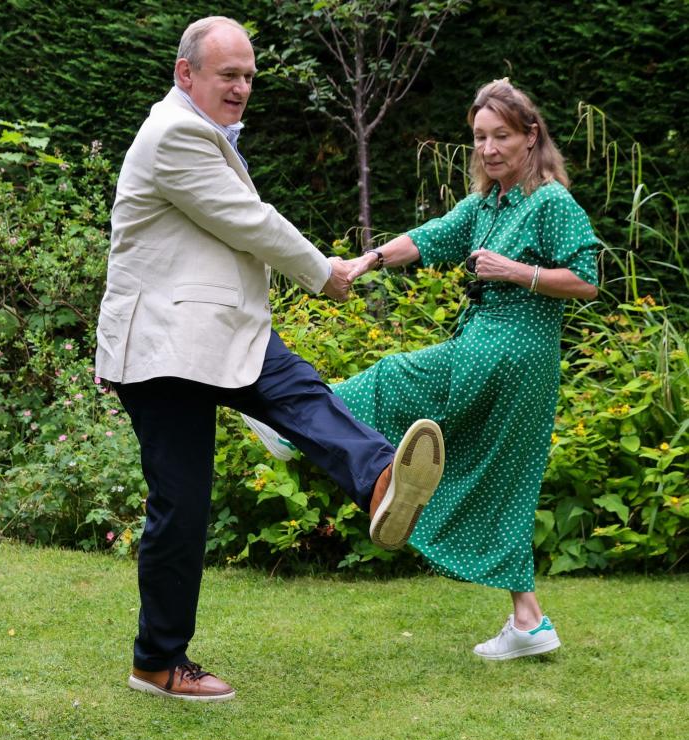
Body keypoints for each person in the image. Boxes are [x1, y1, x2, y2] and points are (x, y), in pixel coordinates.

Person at [95, 16, 447, 702]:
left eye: (250, 76)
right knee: (182, 506)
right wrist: (324, 272)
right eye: (228, 74)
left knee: (303, 391)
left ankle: (379, 480)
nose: (242, 87)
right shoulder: (174, 135)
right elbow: (247, 220)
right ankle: (157, 662)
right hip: (165, 347)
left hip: (220, 328)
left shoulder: (204, 133)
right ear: (185, 73)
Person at [331, 78, 600, 659]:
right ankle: (528, 621)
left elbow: (586, 280)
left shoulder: (550, 202)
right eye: (480, 137)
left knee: (395, 377)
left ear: (532, 136)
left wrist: (515, 272)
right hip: (493, 352)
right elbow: (428, 239)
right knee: (503, 484)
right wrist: (365, 261)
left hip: (515, 354)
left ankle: (297, 416)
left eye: (501, 135)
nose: (489, 148)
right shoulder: (488, 203)